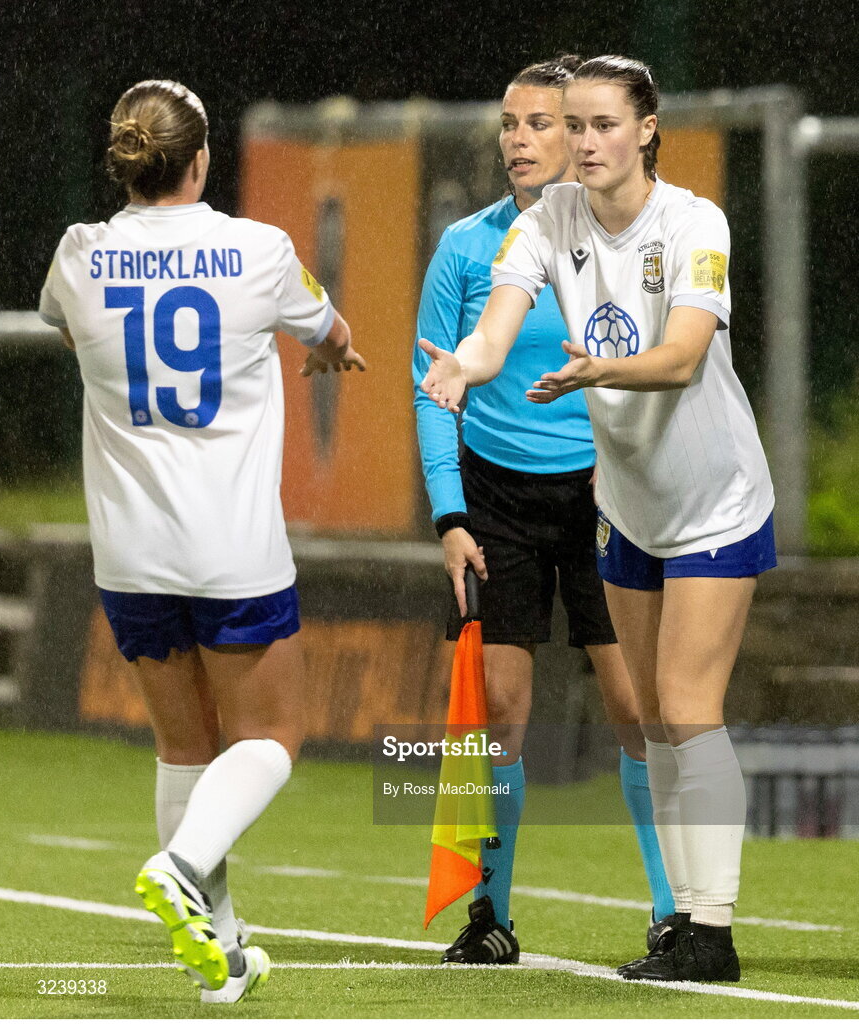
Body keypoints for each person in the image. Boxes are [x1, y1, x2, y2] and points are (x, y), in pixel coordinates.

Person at [419, 54, 776, 984]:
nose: (582, 142)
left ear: (648, 128)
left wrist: (594, 372)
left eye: (602, 125)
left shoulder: (695, 222)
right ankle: (685, 923)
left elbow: (684, 357)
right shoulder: (549, 220)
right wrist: (469, 363)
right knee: (656, 720)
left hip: (713, 499)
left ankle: (709, 929)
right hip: (630, 506)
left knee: (687, 710)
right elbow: (499, 324)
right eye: (571, 125)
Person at [38, 79, 365, 1003]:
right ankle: (182, 867)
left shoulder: (79, 253)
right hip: (230, 547)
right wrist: (328, 348)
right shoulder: (257, 250)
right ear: (202, 158)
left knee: (186, 747)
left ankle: (219, 949)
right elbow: (332, 328)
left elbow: (72, 333)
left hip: (129, 553)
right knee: (271, 735)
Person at [412, 55, 674, 966]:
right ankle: (489, 918)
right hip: (497, 500)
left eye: (540, 123)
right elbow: (433, 384)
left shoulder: (628, 237)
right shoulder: (465, 247)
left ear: (583, 134)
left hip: (609, 492)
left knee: (639, 709)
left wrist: (626, 454)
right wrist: (451, 516)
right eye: (509, 124)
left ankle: (674, 911)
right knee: (502, 719)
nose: (518, 140)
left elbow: (662, 361)